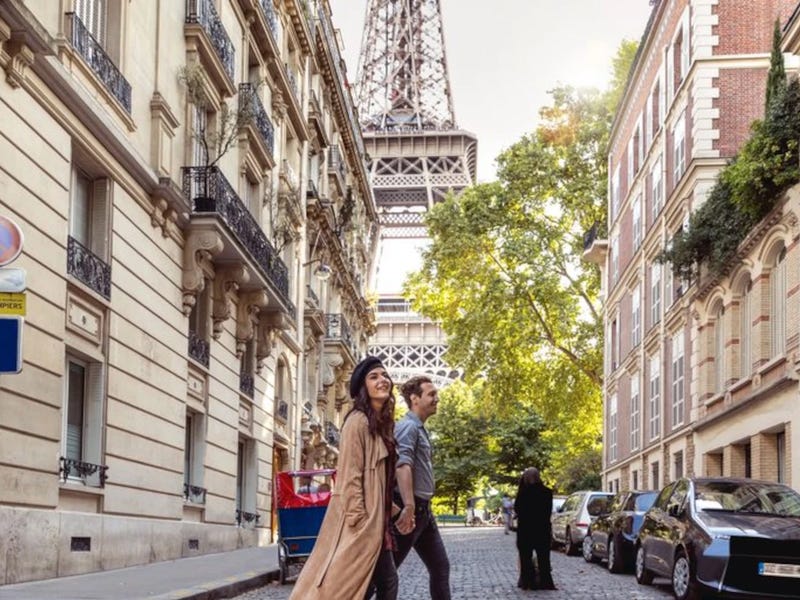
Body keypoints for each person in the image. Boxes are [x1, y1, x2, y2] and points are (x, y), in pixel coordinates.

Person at [290, 356, 407, 600]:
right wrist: (359, 521)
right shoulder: (358, 422)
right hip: (362, 521)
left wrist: (394, 511)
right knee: (371, 582)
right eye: (374, 377)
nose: (382, 380)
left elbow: (379, 481)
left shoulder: (381, 424)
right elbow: (351, 476)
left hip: (377, 519)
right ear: (363, 387)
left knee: (367, 583)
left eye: (384, 375)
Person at [392, 375, 451, 599]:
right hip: (412, 509)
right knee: (386, 572)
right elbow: (402, 464)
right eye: (432, 394)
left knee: (440, 567)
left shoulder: (418, 428)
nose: (437, 398)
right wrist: (408, 506)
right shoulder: (408, 427)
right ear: (415, 398)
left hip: (423, 511)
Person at [514, 467, 556, 591]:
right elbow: (547, 511)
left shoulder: (523, 493)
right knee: (544, 558)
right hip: (542, 530)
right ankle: (546, 582)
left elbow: (517, 509)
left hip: (525, 531)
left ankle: (527, 582)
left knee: (525, 558)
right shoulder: (547, 492)